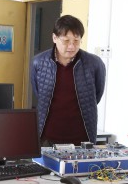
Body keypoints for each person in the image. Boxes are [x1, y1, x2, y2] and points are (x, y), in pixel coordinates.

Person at [30, 15, 106, 146]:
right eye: (66, 41)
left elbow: (96, 97)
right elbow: (39, 94)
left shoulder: (94, 63)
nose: (71, 46)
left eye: (76, 41)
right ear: (54, 38)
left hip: (82, 139)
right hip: (47, 137)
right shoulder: (38, 62)